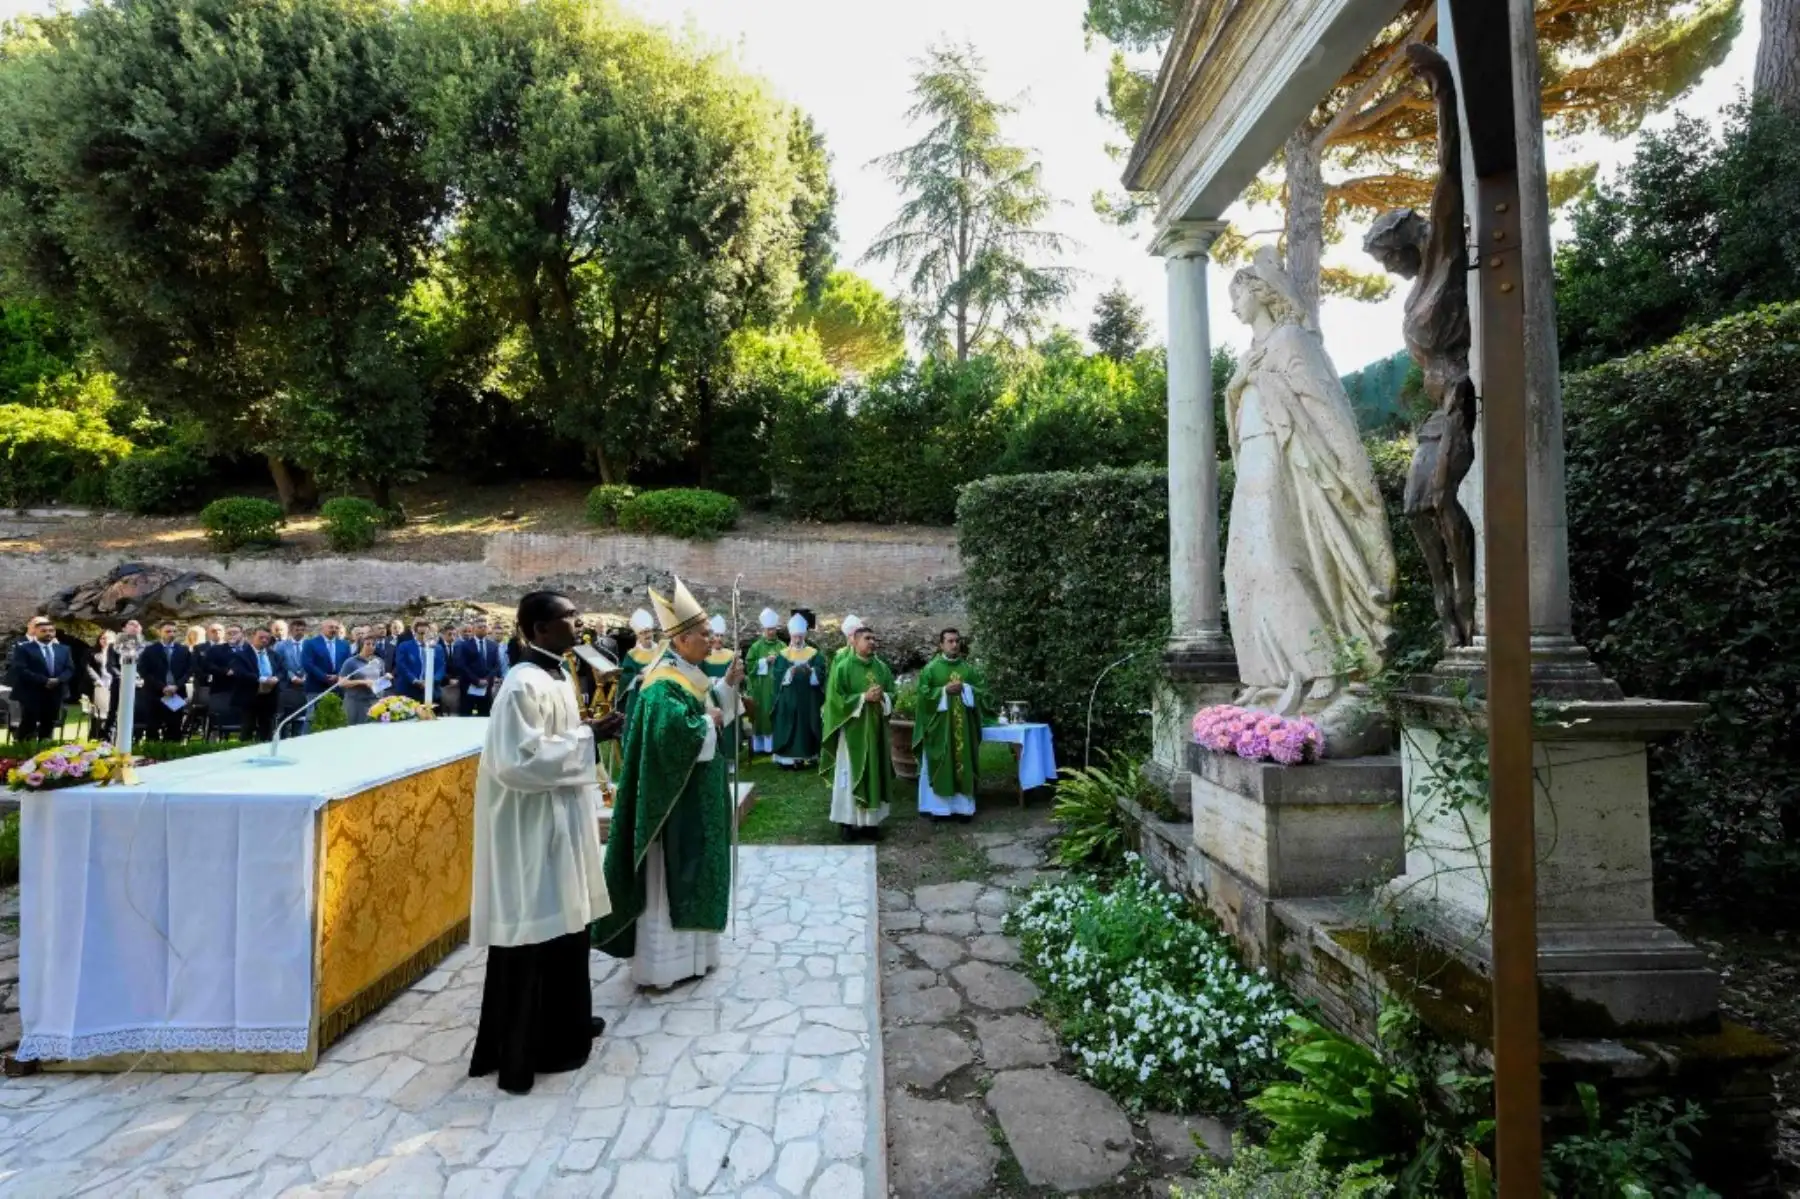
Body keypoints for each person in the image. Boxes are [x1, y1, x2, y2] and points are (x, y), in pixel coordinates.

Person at [469, 590, 621, 1095]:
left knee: (569, 922)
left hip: (562, 815)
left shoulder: (558, 671)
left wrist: (589, 732)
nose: (579, 623)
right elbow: (518, 760)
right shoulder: (521, 684)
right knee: (540, 927)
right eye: (568, 617)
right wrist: (589, 737)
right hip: (532, 823)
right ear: (538, 629)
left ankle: (572, 1022)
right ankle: (537, 1043)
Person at [592, 576, 744, 988]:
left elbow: (707, 706)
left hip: (696, 791)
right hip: (673, 803)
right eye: (704, 635)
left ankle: (697, 957)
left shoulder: (688, 672)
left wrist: (726, 688)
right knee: (674, 872)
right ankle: (664, 966)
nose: (711, 641)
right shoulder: (661, 682)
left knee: (697, 867)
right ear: (680, 640)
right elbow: (668, 737)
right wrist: (706, 723)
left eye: (712, 634)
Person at [822, 621, 895, 840]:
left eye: (874, 639)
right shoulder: (844, 667)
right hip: (852, 731)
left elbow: (893, 692)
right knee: (849, 774)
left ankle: (871, 824)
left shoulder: (881, 667)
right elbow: (835, 700)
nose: (872, 643)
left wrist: (884, 697)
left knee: (875, 771)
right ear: (854, 641)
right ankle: (847, 822)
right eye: (867, 639)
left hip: (875, 731)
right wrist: (863, 698)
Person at [914, 628, 993, 822]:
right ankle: (939, 810)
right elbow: (923, 696)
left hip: (963, 730)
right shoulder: (931, 669)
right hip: (940, 729)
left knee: (962, 762)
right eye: (949, 641)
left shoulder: (968, 670)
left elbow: (984, 692)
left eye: (957, 641)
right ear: (941, 645)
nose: (954, 644)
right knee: (941, 762)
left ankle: (963, 809)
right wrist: (943, 692)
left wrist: (966, 689)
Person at [768, 613, 825, 769]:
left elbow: (821, 671)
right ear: (791, 636)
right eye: (795, 637)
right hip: (788, 699)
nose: (798, 640)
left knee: (806, 725)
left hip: (808, 699)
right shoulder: (783, 655)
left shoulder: (814, 654)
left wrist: (811, 670)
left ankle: (809, 756)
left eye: (800, 637)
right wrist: (788, 673)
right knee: (789, 725)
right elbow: (778, 674)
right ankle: (787, 758)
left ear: (804, 635)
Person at [10, 618, 72, 741]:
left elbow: (69, 669)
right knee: (28, 725)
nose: (48, 633)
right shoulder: (24, 648)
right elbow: (21, 669)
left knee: (48, 725)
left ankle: (45, 755)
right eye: (43, 631)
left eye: (51, 631)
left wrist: (58, 680)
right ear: (36, 632)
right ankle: (22, 754)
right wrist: (45, 681)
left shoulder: (64, 649)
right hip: (31, 693)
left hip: (54, 693)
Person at [137, 621, 193, 742]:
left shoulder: (183, 650)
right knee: (153, 725)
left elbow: (189, 671)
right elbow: (144, 671)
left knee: (174, 725)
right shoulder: (150, 650)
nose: (171, 634)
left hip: (175, 693)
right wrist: (162, 687)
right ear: (160, 632)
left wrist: (176, 686)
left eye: (174, 631)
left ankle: (172, 753)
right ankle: (152, 754)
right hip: (154, 693)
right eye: (168, 631)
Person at [743, 609, 784, 757]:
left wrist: (778, 661)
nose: (771, 632)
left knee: (775, 714)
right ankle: (760, 746)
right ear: (763, 630)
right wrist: (764, 661)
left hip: (777, 687)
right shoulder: (756, 647)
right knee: (761, 715)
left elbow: (787, 662)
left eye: (773, 629)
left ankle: (775, 744)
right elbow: (749, 665)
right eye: (768, 629)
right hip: (761, 688)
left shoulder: (782, 646)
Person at [230, 626, 282, 742]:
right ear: (252, 637)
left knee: (267, 728)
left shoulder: (274, 655)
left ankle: (265, 751)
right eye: (261, 637)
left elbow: (281, 671)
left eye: (267, 638)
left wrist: (276, 678)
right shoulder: (241, 655)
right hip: (249, 696)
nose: (264, 640)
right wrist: (262, 679)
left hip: (269, 696)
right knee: (248, 727)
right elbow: (240, 673)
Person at [614, 608, 658, 724]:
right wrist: (640, 677)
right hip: (638, 697)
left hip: (658, 696)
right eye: (643, 633)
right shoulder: (632, 655)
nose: (647, 635)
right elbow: (625, 677)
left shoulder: (662, 651)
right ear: (638, 636)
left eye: (649, 631)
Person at [302, 618, 353, 714]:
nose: (334, 630)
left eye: (336, 628)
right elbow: (307, 664)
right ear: (322, 628)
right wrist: (324, 677)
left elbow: (348, 663)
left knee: (336, 718)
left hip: (338, 687)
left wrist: (338, 676)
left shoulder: (344, 644)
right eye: (331, 627)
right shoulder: (310, 643)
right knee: (314, 719)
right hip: (316, 687)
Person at [454, 617, 503, 718]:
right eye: (480, 627)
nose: (483, 629)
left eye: (485, 627)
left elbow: (496, 665)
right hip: (469, 687)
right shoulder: (464, 645)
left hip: (486, 687)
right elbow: (462, 665)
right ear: (474, 629)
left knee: (485, 717)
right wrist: (476, 680)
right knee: (465, 717)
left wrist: (487, 679)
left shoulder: (493, 645)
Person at [271, 618, 310, 736]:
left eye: (302, 630)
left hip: (305, 686)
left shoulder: (309, 644)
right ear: (291, 630)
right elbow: (278, 664)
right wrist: (291, 676)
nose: (299, 632)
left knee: (301, 717)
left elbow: (312, 662)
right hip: (287, 686)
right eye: (297, 629)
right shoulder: (281, 646)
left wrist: (306, 676)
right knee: (284, 717)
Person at [394, 619, 447, 705]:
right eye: (421, 634)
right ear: (414, 633)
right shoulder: (404, 646)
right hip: (409, 691)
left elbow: (441, 667)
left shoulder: (437, 648)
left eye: (426, 633)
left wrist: (430, 681)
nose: (424, 636)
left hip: (431, 690)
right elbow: (401, 666)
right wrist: (415, 681)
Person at [340, 634, 387, 725]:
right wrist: (362, 682)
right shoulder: (351, 662)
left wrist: (386, 678)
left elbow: (381, 683)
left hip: (374, 703)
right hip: (356, 704)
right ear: (361, 645)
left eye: (373, 644)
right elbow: (341, 683)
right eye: (368, 644)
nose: (371, 647)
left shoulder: (379, 661)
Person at [88, 631, 116, 741]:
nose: (105, 641)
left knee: (112, 714)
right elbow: (88, 667)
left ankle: (109, 738)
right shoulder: (92, 653)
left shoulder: (117, 653)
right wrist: (97, 680)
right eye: (102, 638)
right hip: (100, 686)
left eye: (107, 638)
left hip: (114, 685)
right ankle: (95, 737)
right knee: (99, 716)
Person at [701, 615, 735, 681]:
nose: (719, 638)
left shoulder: (731, 654)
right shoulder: (703, 654)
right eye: (717, 635)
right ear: (711, 636)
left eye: (721, 636)